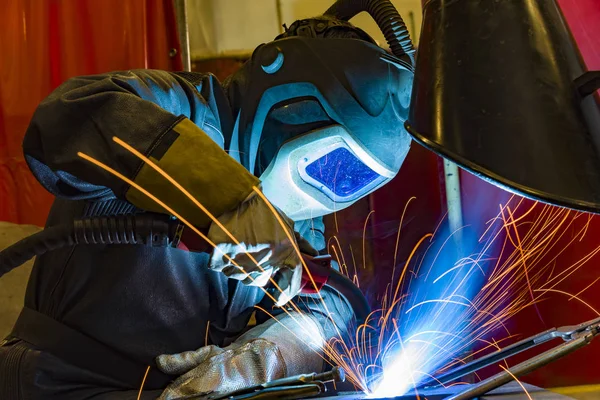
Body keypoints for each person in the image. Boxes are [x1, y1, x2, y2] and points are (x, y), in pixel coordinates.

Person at [0, 6, 414, 400]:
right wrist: (229, 198)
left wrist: (267, 354)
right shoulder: (177, 105)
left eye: (352, 178)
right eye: (331, 161)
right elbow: (67, 116)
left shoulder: (299, 205)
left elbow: (328, 299)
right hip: (58, 382)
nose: (329, 186)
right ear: (289, 104)